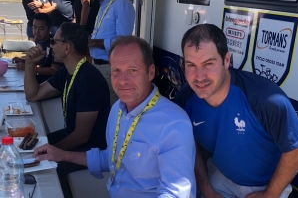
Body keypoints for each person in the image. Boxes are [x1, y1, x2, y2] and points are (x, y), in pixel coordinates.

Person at [33, 36, 196, 198]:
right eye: (116, 71)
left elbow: (175, 194)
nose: (123, 80)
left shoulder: (173, 123)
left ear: (150, 72)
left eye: (132, 70)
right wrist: (61, 154)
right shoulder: (118, 108)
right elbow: (111, 158)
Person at [175, 24, 298, 198]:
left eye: (208, 63)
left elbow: (295, 149)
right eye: (191, 65)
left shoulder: (265, 99)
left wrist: (269, 194)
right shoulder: (185, 100)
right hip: (222, 175)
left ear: (227, 60)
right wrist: (205, 187)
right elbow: (188, 142)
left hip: (268, 183)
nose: (199, 76)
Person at [25, 22, 110, 198]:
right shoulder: (68, 72)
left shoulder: (88, 80)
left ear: (67, 47)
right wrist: (29, 65)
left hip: (92, 149)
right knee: (33, 145)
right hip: (75, 138)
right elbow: (33, 95)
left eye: (54, 42)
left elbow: (82, 135)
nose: (50, 45)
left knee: (41, 166)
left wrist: (52, 151)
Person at [83, 0, 135, 106]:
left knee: (109, 111)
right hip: (97, 65)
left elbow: (122, 43)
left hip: (110, 69)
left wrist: (94, 43)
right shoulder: (105, 3)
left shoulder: (121, 4)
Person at [12, 13, 62, 84]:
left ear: (49, 28)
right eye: (34, 27)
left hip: (51, 83)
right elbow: (43, 60)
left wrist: (28, 68)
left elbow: (54, 70)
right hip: (41, 78)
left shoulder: (54, 44)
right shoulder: (39, 40)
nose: (36, 32)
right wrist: (24, 61)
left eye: (41, 29)